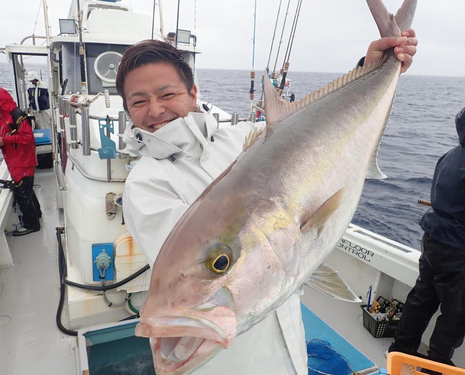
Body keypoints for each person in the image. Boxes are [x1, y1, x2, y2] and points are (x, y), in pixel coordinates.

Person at [116, 32, 417, 374]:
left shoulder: (240, 136)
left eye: (167, 94)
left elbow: (309, 131)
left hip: (289, 348)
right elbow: (193, 271)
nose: (155, 109)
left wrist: (372, 68)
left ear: (194, 93)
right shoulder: (145, 184)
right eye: (139, 101)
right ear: (127, 110)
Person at [388, 107, 465, 369]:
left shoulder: (450, 156)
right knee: (455, 312)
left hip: (433, 240)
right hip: (458, 249)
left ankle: (399, 348)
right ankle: (436, 365)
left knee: (423, 296)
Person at [0, 87, 42, 236]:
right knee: (27, 191)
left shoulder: (17, 115)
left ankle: (32, 225)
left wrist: (4, 140)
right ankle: (37, 215)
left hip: (23, 160)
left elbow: (27, 137)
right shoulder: (4, 116)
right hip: (14, 160)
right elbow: (2, 135)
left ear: (1, 102)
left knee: (23, 193)